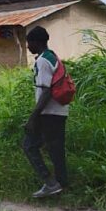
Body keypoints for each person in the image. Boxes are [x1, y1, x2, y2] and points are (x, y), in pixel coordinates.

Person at [23, 26, 68, 198]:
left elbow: (46, 91)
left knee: (29, 145)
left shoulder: (42, 60)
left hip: (48, 113)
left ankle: (50, 183)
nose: (28, 46)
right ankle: (61, 185)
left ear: (36, 42)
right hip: (59, 111)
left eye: (29, 43)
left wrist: (33, 118)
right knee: (56, 149)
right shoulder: (53, 56)